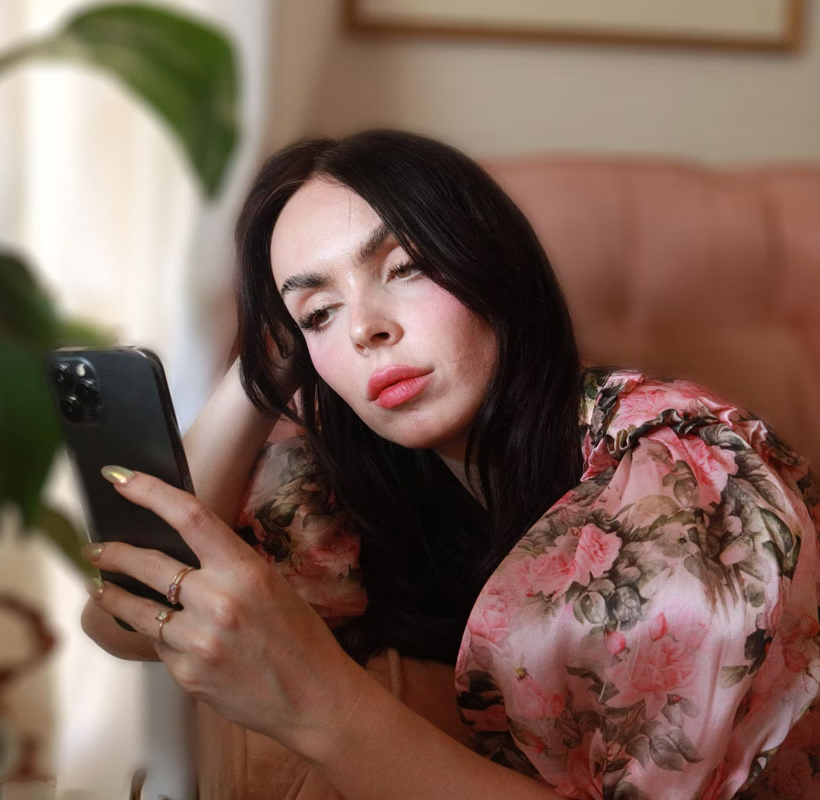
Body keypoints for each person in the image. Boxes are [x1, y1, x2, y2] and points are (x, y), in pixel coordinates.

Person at [81, 130, 820, 799]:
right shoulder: (357, 476)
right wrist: (257, 376)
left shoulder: (681, 486)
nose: (367, 328)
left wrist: (321, 708)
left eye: (403, 267)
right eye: (317, 313)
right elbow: (120, 622)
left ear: (492, 266)